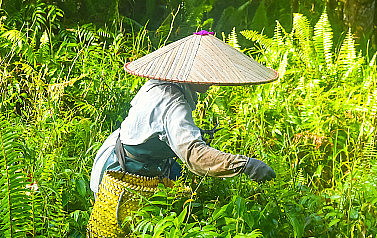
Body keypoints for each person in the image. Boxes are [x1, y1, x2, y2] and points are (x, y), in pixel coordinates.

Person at [90, 31, 277, 195]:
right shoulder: (171, 102)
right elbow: (195, 155)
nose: (211, 80)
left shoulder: (166, 84)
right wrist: (246, 165)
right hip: (123, 172)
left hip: (148, 162)